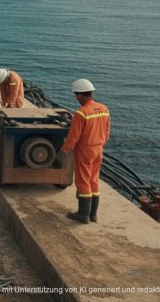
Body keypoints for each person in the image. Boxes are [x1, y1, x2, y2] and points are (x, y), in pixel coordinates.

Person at [60, 79, 110, 224]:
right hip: (99, 149)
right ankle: (93, 215)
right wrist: (100, 143)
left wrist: (64, 149)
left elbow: (73, 136)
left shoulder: (81, 113)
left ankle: (83, 215)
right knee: (94, 180)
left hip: (85, 150)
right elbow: (107, 131)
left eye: (76, 96)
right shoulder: (104, 109)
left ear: (80, 95)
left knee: (83, 182)